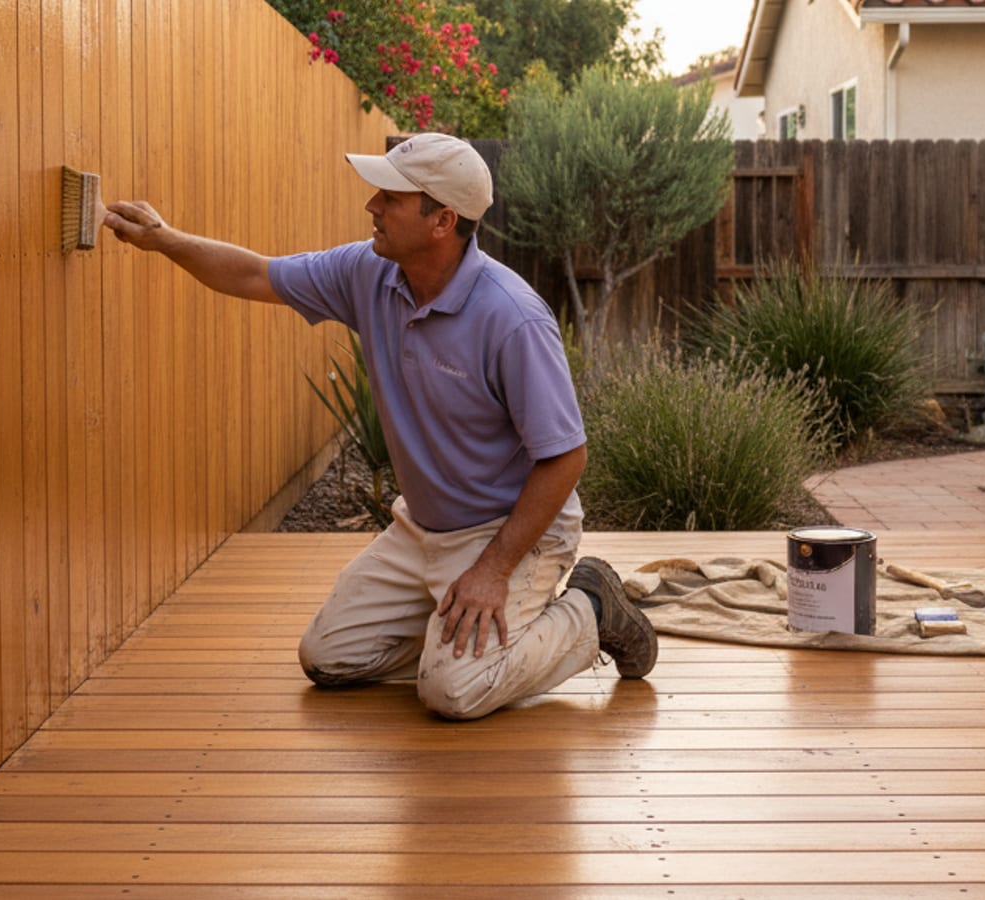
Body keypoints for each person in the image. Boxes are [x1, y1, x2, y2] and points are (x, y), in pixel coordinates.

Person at [102, 133, 656, 720]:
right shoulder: (369, 273)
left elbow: (566, 458)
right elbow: (253, 276)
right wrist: (162, 241)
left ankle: (593, 606)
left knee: (454, 692)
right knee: (328, 657)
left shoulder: (511, 318)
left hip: (509, 535)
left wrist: (493, 571)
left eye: (389, 197)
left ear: (442, 220)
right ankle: (453, 627)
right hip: (422, 530)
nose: (371, 206)